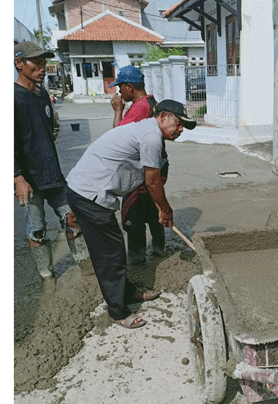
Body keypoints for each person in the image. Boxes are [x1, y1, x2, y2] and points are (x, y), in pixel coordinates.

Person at [65, 100, 197, 329]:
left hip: (87, 189)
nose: (181, 129)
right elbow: (153, 181)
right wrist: (165, 209)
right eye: (178, 123)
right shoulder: (151, 137)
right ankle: (118, 311)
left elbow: (150, 181)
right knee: (110, 254)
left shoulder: (146, 130)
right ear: (163, 117)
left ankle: (126, 292)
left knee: (112, 251)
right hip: (89, 194)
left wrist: (160, 208)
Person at [14, 41, 94, 288]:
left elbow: (49, 132)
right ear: (19, 64)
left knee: (72, 219)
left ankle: (86, 267)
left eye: (43, 61)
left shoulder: (43, 97)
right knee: (37, 231)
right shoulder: (12, 99)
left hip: (53, 175)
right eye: (36, 62)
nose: (42, 67)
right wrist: (18, 178)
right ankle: (47, 277)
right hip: (30, 180)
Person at [109, 65, 167, 264]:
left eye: (120, 88)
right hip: (155, 165)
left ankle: (137, 258)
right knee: (152, 207)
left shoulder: (140, 107)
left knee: (133, 214)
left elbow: (118, 136)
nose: (119, 92)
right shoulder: (150, 102)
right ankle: (159, 249)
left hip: (141, 171)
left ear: (130, 88)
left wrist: (118, 110)